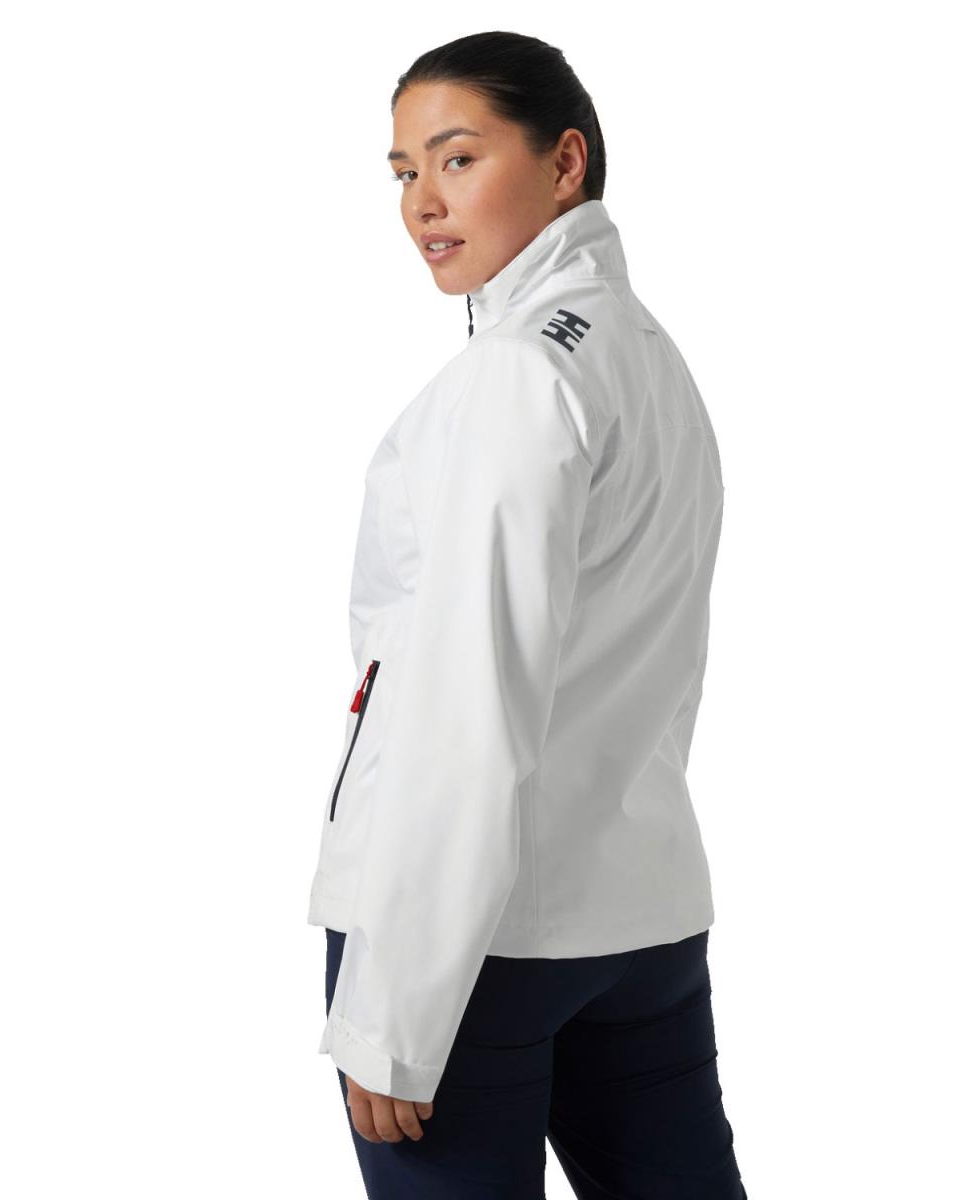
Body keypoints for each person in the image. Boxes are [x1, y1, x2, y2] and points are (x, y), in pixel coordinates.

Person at [308, 31, 748, 1199]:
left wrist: (394, 1009)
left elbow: (463, 704)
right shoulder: (648, 357)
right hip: (640, 915)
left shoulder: (519, 374)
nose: (422, 202)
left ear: (565, 162)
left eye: (457, 158)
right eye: (404, 171)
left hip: (473, 948)